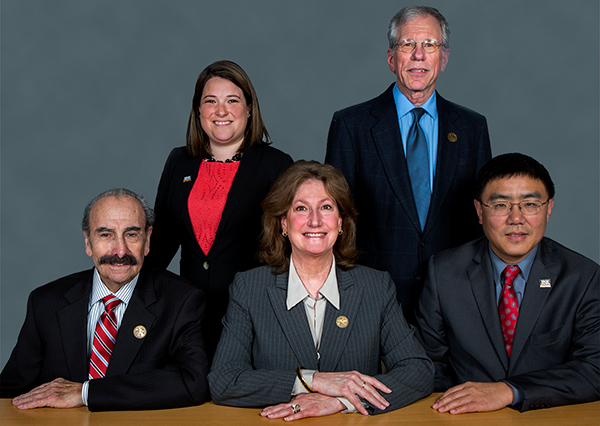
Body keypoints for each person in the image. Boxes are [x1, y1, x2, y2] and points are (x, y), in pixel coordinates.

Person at [208, 161, 433, 420]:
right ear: (283, 222)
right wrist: (311, 381)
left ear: (340, 222)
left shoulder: (375, 287)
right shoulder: (250, 288)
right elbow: (224, 380)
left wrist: (342, 401)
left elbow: (418, 371)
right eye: (301, 208)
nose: (315, 221)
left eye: (326, 207)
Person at [325, 5, 491, 324]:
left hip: (454, 302)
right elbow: (336, 219)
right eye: (407, 44)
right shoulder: (352, 125)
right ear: (391, 58)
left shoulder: (472, 128)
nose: (418, 55)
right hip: (371, 300)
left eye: (429, 45)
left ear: (443, 58)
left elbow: (480, 220)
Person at [415, 153, 599, 413]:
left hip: (551, 416)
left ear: (549, 209)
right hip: (464, 418)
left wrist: (509, 390)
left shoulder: (583, 276)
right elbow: (427, 366)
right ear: (480, 211)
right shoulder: (443, 272)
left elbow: (594, 368)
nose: (516, 218)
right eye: (501, 205)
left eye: (530, 204)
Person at [0, 188, 208, 411]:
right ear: (88, 242)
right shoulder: (45, 302)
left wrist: (86, 393)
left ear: (147, 240)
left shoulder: (182, 300)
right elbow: (10, 391)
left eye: (131, 234)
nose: (120, 251)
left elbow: (193, 382)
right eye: (106, 235)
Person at [146, 60, 293, 363]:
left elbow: (290, 247)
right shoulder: (179, 162)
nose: (221, 111)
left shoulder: (275, 165)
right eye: (210, 101)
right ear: (198, 110)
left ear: (249, 109)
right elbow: (160, 244)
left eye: (232, 101)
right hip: (189, 315)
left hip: (252, 312)